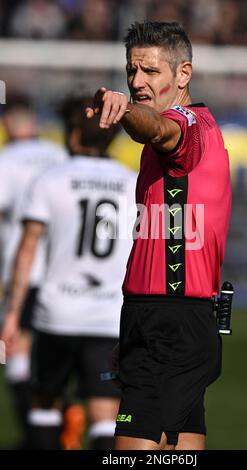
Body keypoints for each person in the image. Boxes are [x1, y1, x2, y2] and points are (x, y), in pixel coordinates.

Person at [86, 21, 232, 450]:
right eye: (132, 71)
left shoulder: (185, 125)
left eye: (150, 71)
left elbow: (155, 127)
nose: (137, 81)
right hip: (170, 318)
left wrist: (124, 109)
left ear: (183, 74)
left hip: (167, 318)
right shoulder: (193, 132)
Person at [1, 97, 136, 449]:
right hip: (108, 316)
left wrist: (13, 313)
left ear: (74, 135)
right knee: (108, 413)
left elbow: (28, 247)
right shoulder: (132, 183)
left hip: (56, 315)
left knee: (44, 402)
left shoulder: (52, 179)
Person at [0, 96, 67, 448]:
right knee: (56, 355)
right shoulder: (59, 156)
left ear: (9, 124)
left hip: (26, 272)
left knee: (15, 350)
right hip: (63, 271)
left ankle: (35, 436)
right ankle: (59, 422)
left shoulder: (6, 160)